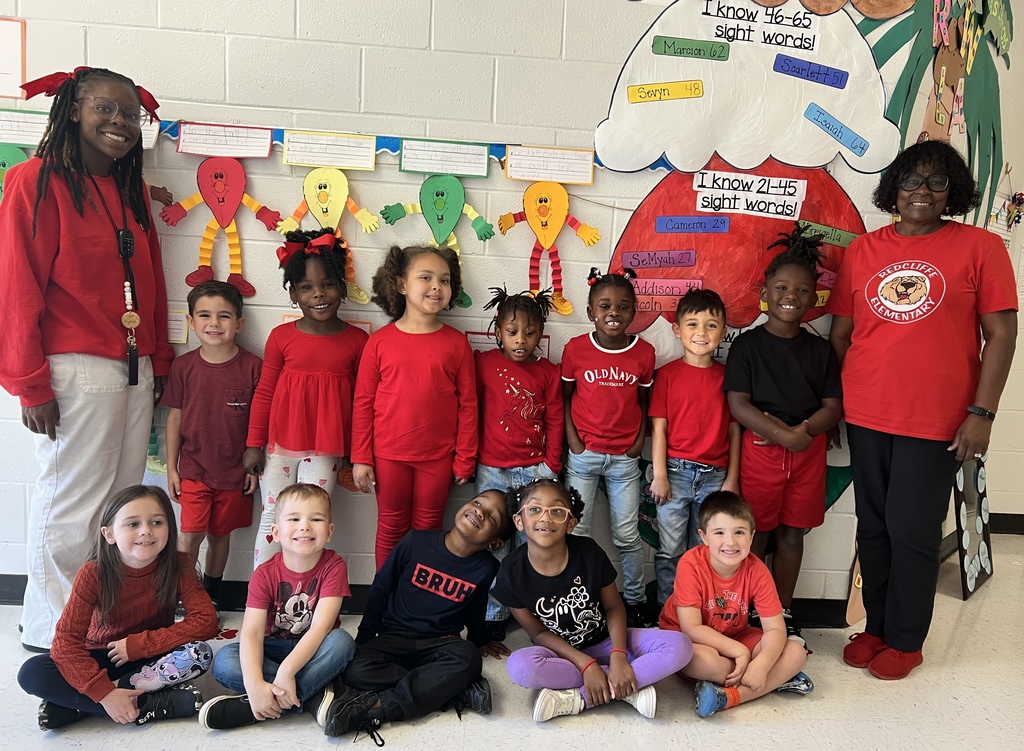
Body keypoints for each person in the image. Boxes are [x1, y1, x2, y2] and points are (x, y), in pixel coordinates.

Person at [828, 141, 1017, 680]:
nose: (922, 192)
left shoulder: (981, 247)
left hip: (937, 419)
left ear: (953, 191)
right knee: (874, 528)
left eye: (937, 182)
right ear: (893, 188)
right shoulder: (864, 250)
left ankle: (907, 640)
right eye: (911, 180)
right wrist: (840, 405)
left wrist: (982, 412)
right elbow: (842, 334)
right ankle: (878, 627)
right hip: (866, 414)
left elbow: (1002, 334)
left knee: (912, 529)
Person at [0, 67, 173, 651]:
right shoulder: (35, 181)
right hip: (74, 368)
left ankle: (97, 618)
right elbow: (17, 285)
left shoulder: (131, 192)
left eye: (131, 115)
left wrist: (160, 359)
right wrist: (29, 381)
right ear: (73, 108)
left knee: (121, 504)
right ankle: (51, 628)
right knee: (71, 503)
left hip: (134, 366)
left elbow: (152, 283)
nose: (120, 123)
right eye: (106, 108)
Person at [723, 224, 843, 646]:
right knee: (756, 534)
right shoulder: (747, 347)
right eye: (781, 287)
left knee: (793, 533)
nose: (791, 295)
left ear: (814, 298)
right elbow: (739, 405)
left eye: (802, 290)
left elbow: (833, 406)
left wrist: (804, 432)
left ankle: (783, 610)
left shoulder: (819, 350)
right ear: (766, 292)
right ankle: (749, 608)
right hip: (760, 451)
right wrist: (781, 434)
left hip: (807, 452)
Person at [17, 486, 218, 729]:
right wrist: (104, 694)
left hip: (147, 657)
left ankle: (77, 707)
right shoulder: (93, 573)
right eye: (133, 524)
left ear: (169, 529)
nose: (146, 531)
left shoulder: (180, 565)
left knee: (199, 653)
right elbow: (65, 642)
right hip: (102, 655)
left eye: (156, 522)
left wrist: (139, 645)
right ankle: (146, 706)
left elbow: (206, 621)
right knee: (32, 672)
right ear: (109, 534)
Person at [493, 479, 692, 722]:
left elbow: (613, 606)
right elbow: (538, 633)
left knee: (680, 646)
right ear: (518, 521)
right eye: (534, 509)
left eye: (557, 511)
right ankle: (623, 689)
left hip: (609, 640)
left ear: (571, 524)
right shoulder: (510, 573)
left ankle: (579, 698)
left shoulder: (588, 552)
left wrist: (619, 656)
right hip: (564, 655)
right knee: (520, 667)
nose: (545, 518)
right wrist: (586, 664)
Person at [323, 490, 513, 742]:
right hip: (393, 637)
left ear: (496, 542)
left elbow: (476, 608)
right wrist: (364, 638)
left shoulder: (488, 567)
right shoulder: (416, 541)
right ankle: (452, 690)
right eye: (478, 502)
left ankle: (382, 705)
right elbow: (381, 588)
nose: (480, 511)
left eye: (492, 516)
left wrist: (479, 641)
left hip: (440, 641)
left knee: (468, 659)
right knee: (354, 670)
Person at [243, 229, 368, 566]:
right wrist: (254, 444)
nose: (319, 294)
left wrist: (358, 454)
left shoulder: (358, 341)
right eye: (307, 288)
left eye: (327, 284)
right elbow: (265, 392)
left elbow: (362, 403)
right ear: (294, 294)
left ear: (342, 287)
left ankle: (302, 592)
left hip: (326, 451)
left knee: (311, 521)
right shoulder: (281, 338)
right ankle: (262, 595)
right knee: (274, 516)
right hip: (279, 447)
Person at [351, 245, 478, 568]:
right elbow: (363, 404)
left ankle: (419, 600)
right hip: (388, 455)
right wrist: (361, 458)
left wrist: (464, 457)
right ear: (401, 285)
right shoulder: (379, 342)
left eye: (445, 280)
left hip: (438, 457)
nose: (437, 286)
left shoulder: (456, 343)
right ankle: (385, 599)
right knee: (391, 528)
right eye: (426, 277)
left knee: (429, 529)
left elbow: (468, 405)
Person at [200, 484, 356, 730]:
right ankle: (309, 697)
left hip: (315, 648)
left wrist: (287, 672)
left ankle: (259, 705)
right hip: (271, 648)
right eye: (294, 518)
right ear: (275, 531)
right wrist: (253, 684)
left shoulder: (334, 566)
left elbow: (320, 628)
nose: (305, 525)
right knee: (225, 661)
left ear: (329, 531)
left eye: (316, 519)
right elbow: (251, 633)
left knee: (343, 643)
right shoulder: (264, 574)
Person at [658, 491, 812, 718]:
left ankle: (728, 697)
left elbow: (775, 628)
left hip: (734, 633)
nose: (730, 542)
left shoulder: (757, 569)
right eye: (719, 532)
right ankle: (776, 679)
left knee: (796, 652)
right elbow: (691, 628)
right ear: (704, 536)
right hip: (689, 637)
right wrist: (740, 652)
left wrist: (763, 664)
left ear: (751, 536)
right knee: (701, 659)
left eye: (739, 532)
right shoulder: (691, 563)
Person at [562, 273, 655, 626]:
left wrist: (636, 444)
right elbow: (566, 398)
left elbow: (644, 402)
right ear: (591, 313)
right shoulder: (576, 349)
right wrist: (573, 439)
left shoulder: (644, 353)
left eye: (622, 306)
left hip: (624, 461)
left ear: (634, 312)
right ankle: (580, 598)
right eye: (605, 306)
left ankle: (634, 601)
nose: (613, 312)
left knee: (627, 534)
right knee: (577, 531)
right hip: (583, 455)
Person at [163, 280, 262, 604]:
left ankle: (212, 595)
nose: (214, 323)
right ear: (191, 322)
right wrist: (172, 469)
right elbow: (174, 418)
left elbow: (260, 423)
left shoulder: (252, 367)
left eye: (223, 316)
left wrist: (253, 467)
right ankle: (182, 596)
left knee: (220, 536)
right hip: (193, 469)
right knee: (189, 536)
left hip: (234, 473)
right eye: (204, 315)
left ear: (239, 324)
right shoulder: (184, 367)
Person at [477, 286, 563, 638]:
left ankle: (534, 617)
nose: (520, 340)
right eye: (512, 332)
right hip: (492, 468)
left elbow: (556, 419)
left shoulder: (548, 372)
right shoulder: (482, 363)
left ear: (540, 334)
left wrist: (552, 466)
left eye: (529, 333)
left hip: (535, 470)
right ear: (497, 331)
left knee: (533, 546)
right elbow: (469, 410)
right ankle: (493, 616)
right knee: (495, 542)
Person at [649, 288, 741, 606]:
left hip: (715, 476)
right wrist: (659, 474)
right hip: (675, 472)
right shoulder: (667, 376)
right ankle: (668, 611)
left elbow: (733, 430)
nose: (701, 333)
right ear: (677, 330)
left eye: (711, 325)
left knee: (706, 548)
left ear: (724, 332)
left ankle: (698, 610)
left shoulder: (729, 378)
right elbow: (658, 429)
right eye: (692, 324)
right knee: (671, 548)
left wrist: (732, 478)